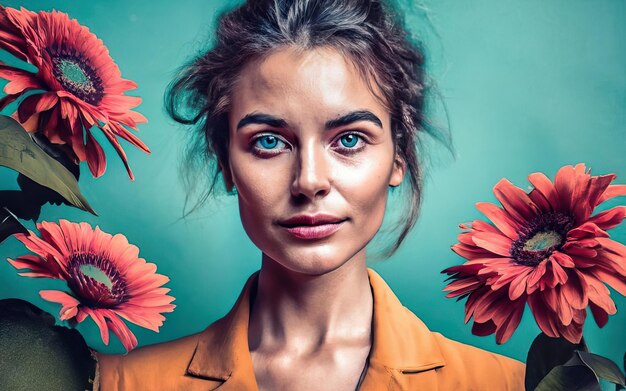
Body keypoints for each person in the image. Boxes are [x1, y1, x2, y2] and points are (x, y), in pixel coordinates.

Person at [96, 0, 525, 389]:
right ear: (226, 165)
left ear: (399, 157)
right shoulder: (123, 383)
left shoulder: (510, 385)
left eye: (350, 140)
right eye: (268, 142)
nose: (309, 181)